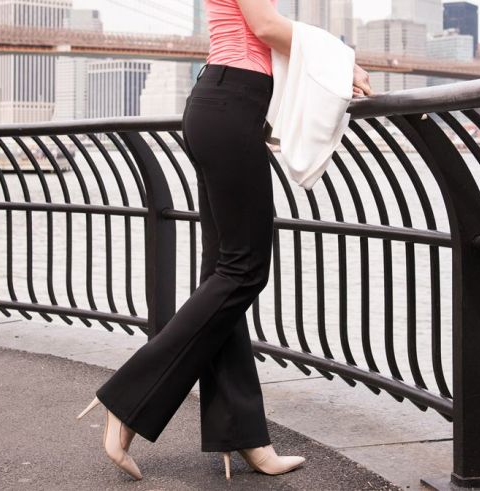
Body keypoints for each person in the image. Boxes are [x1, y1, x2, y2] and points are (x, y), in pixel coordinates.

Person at [76, 0, 373, 481]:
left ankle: (242, 433)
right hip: (231, 104)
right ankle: (127, 400)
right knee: (244, 270)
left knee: (223, 274)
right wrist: (344, 64)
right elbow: (266, 27)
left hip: (220, 104)